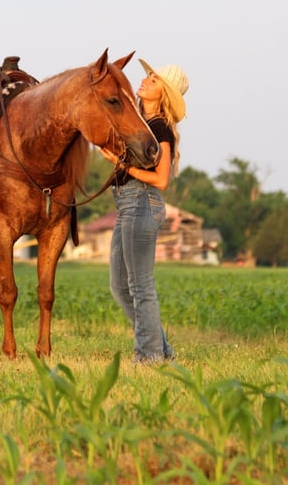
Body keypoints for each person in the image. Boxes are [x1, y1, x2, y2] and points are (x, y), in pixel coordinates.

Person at [99, 58, 189, 363]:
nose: (144, 81)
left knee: (139, 285)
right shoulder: (140, 122)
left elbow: (161, 179)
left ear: (162, 93)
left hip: (142, 202)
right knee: (119, 286)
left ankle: (148, 356)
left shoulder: (159, 127)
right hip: (126, 205)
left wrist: (120, 165)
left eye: (152, 80)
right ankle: (161, 350)